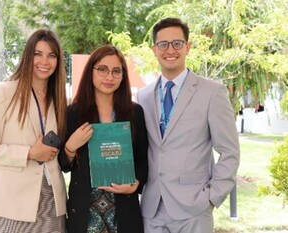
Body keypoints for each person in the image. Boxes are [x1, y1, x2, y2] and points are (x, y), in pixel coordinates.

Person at [137, 17, 240, 233]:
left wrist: (212, 197)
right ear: (154, 49)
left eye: (177, 43)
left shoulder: (212, 92)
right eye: (162, 44)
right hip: (151, 209)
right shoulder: (144, 95)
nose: (170, 50)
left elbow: (229, 151)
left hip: (194, 209)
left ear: (188, 47)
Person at [0, 29, 67, 233]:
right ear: (27, 56)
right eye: (38, 54)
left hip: (51, 201)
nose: (45, 61)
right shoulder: (4, 92)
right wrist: (29, 153)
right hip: (11, 203)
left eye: (51, 55)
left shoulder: (59, 100)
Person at [58, 45, 148, 233]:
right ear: (91, 71)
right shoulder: (73, 113)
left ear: (123, 76)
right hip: (85, 213)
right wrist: (69, 148)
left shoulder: (134, 113)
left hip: (123, 212)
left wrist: (136, 184)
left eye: (116, 71)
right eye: (102, 69)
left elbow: (143, 159)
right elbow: (63, 165)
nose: (109, 77)